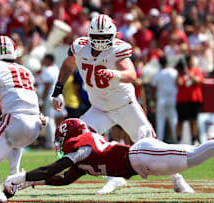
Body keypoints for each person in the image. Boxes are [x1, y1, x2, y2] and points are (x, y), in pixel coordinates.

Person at [50, 14, 193, 195]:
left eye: (105, 37)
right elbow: (68, 64)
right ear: (89, 35)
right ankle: (113, 177)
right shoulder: (80, 47)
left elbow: (131, 74)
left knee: (149, 142)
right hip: (99, 108)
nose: (101, 42)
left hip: (125, 105)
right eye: (97, 37)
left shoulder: (117, 50)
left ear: (113, 36)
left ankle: (176, 178)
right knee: (79, 139)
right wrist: (58, 89)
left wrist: (114, 74)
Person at [4, 116, 214, 197]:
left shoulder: (82, 147)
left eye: (62, 138)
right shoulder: (81, 157)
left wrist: (21, 177)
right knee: (194, 153)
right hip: (142, 162)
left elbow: (54, 167)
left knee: (193, 156)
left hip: (141, 154)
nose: (62, 144)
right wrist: (32, 183)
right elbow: (63, 178)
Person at [0, 35, 47, 202]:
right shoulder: (25, 70)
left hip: (15, 120)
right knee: (14, 143)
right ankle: (13, 181)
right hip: (36, 122)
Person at [175, 55, 204, 144]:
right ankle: (179, 140)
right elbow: (178, 83)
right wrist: (178, 72)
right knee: (180, 121)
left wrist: (187, 72)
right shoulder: (181, 73)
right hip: (182, 100)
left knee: (193, 120)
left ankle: (194, 139)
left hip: (194, 99)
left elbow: (197, 81)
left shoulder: (196, 71)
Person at [150, 56, 178, 143]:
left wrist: (153, 102)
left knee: (160, 121)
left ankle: (160, 142)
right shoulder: (174, 72)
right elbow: (179, 82)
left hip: (161, 100)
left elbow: (153, 88)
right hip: (171, 99)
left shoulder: (158, 74)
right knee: (173, 119)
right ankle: (176, 140)